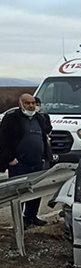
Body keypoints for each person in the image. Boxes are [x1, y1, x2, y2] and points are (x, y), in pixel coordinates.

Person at [0, 94, 53, 228]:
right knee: (19, 193)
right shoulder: (12, 118)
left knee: (35, 191)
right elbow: (3, 140)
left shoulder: (39, 118)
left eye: (33, 103)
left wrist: (45, 156)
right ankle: (19, 221)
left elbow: (45, 134)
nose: (31, 105)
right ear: (21, 103)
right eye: (27, 103)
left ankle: (31, 216)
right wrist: (10, 159)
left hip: (37, 161)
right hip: (19, 163)